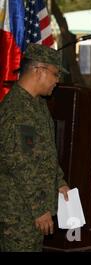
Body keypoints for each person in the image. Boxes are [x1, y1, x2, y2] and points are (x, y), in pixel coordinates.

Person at [0, 44, 70, 252]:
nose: (57, 80)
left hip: (28, 209)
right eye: (55, 74)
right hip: (19, 212)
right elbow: (23, 165)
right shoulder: (17, 109)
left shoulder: (36, 104)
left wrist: (60, 182)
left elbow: (45, 153)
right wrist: (40, 209)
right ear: (38, 70)